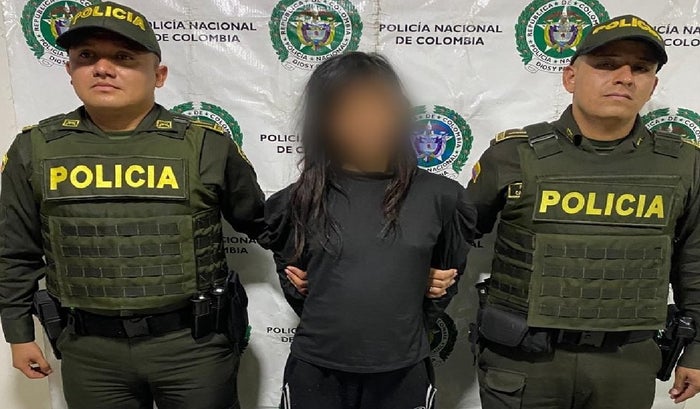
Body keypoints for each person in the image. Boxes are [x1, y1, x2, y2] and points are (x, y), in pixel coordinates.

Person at [0, 2, 265, 408]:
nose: (103, 69)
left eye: (124, 57)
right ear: (69, 70)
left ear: (158, 75)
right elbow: (14, 251)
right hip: (91, 352)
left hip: (192, 347)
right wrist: (18, 334)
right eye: (87, 56)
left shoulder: (205, 144)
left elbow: (261, 221)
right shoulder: (34, 149)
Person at [467, 14, 700, 409]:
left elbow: (695, 263)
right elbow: (453, 239)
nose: (624, 77)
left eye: (640, 68)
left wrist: (696, 350)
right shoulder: (512, 156)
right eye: (607, 64)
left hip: (625, 365)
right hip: (524, 361)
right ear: (570, 77)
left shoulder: (684, 164)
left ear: (653, 85)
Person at [260, 52, 475, 409]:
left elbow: (447, 278)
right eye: (348, 109)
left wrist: (410, 287)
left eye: (378, 105)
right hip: (316, 370)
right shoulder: (296, 201)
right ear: (324, 121)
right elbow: (297, 282)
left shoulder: (442, 198)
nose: (367, 121)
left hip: (403, 372)